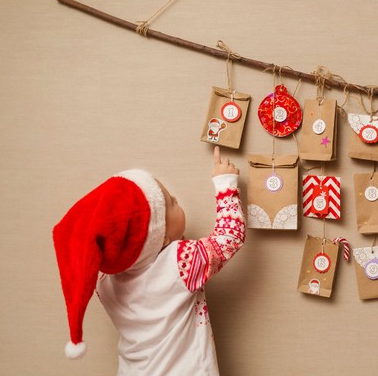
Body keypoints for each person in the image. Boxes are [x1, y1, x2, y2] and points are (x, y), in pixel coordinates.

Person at [53, 147, 245, 375]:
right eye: (172, 203)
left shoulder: (104, 281)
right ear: (159, 236)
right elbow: (229, 237)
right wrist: (225, 183)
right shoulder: (181, 262)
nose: (177, 200)